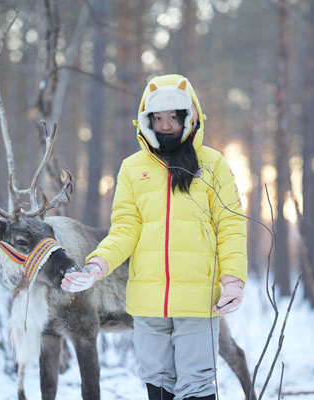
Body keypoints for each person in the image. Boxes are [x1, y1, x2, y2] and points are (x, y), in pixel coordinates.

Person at [61, 74, 247, 400]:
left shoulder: (213, 164)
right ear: (145, 121)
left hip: (197, 300)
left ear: (190, 116)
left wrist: (233, 280)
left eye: (173, 117)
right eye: (157, 118)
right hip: (147, 304)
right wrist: (97, 265)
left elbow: (230, 226)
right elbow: (124, 228)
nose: (165, 125)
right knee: (158, 383)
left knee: (197, 384)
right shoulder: (133, 168)